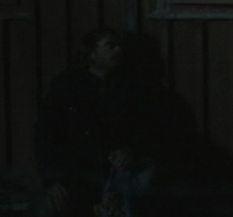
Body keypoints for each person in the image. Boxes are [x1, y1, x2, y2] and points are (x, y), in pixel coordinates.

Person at [33, 29, 167, 217]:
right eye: (110, 45)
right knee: (50, 205)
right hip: (77, 173)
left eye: (119, 45)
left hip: (120, 171)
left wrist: (130, 150)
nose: (118, 50)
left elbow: (151, 127)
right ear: (92, 53)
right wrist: (54, 180)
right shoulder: (66, 86)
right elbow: (46, 135)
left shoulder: (133, 88)